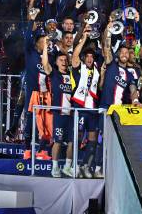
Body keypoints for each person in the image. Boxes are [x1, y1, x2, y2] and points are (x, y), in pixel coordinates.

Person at [20, 0, 52, 161]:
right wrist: (32, 17)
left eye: (46, 39)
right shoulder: (30, 52)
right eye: (43, 40)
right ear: (38, 41)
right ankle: (26, 149)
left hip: (45, 94)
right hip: (32, 93)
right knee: (30, 121)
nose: (45, 41)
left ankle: (43, 150)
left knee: (46, 122)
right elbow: (27, 34)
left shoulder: (50, 56)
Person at [71, 26, 101, 178]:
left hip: (92, 109)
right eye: (87, 56)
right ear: (84, 58)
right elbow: (74, 56)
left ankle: (84, 165)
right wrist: (83, 40)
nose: (90, 59)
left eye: (92, 57)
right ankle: (73, 165)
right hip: (80, 107)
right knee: (77, 137)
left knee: (93, 140)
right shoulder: (79, 67)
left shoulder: (96, 68)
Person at [42, 48, 75, 178]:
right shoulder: (54, 75)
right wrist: (45, 45)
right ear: (56, 62)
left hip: (72, 115)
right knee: (58, 141)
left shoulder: (72, 76)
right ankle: (54, 167)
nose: (64, 62)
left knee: (72, 141)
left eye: (65, 60)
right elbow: (45, 63)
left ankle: (67, 167)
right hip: (59, 114)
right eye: (61, 60)